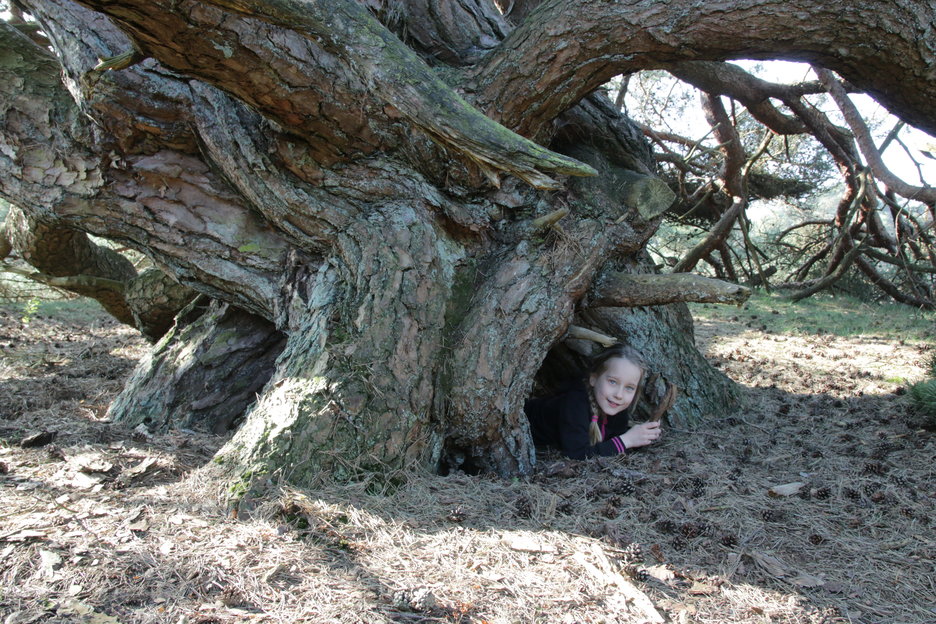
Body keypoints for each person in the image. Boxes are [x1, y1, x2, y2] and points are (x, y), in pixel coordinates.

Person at [524, 344, 662, 460]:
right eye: (612, 382)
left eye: (629, 388)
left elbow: (613, 443)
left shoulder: (616, 406)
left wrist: (641, 437)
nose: (619, 395)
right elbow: (577, 455)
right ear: (593, 379)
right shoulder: (575, 404)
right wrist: (627, 440)